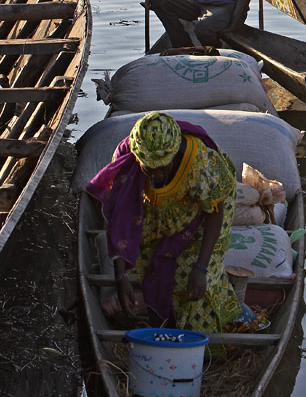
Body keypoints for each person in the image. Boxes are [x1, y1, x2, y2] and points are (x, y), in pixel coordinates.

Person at [87, 111, 242, 332]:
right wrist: (120, 275)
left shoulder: (202, 163)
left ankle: (198, 341)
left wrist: (201, 267)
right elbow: (120, 219)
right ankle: (159, 324)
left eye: (163, 166)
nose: (157, 174)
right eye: (149, 168)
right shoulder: (126, 160)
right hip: (162, 207)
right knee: (144, 265)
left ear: (174, 154)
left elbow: (214, 214)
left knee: (189, 277)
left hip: (210, 205)